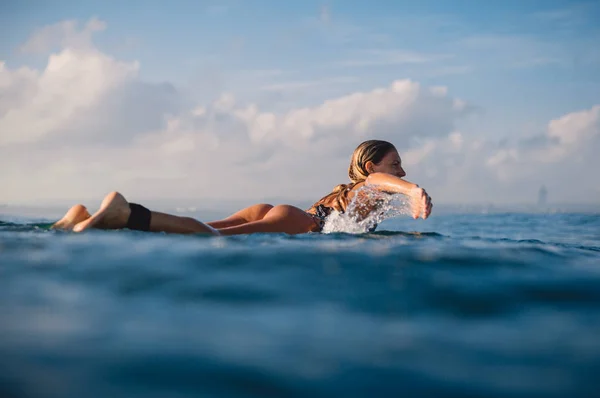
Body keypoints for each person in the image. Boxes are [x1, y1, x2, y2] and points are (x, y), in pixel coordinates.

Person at [51, 140, 433, 235]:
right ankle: (126, 211)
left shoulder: (356, 191)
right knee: (207, 236)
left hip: (279, 212)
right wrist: (412, 189)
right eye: (395, 164)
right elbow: (375, 181)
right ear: (372, 166)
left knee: (197, 229)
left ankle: (85, 219)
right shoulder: (373, 186)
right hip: (301, 224)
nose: (400, 170)